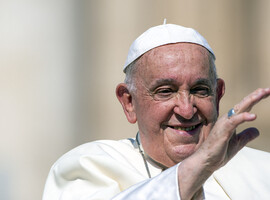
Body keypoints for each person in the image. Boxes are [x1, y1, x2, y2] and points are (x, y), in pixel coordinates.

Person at [42, 23, 270, 200]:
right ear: (128, 102)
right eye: (165, 91)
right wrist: (199, 166)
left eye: (200, 90)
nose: (186, 109)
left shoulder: (263, 169)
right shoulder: (87, 165)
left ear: (218, 95)